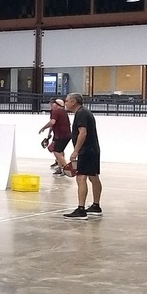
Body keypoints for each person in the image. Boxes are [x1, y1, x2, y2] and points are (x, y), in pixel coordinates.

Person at [62, 92, 102, 220]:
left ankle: (81, 209)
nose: (66, 103)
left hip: (86, 150)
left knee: (81, 178)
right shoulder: (85, 112)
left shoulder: (81, 114)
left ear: (74, 102)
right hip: (92, 149)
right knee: (93, 177)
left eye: (67, 100)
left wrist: (76, 151)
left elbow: (82, 133)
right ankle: (96, 206)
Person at [38, 98, 72, 177]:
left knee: (56, 152)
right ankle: (60, 169)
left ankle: (66, 168)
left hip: (60, 135)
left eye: (53, 103)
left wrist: (43, 128)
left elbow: (52, 122)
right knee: (60, 151)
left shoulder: (55, 112)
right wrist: (50, 133)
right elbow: (54, 124)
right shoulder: (63, 112)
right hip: (67, 135)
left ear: (57, 105)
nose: (51, 105)